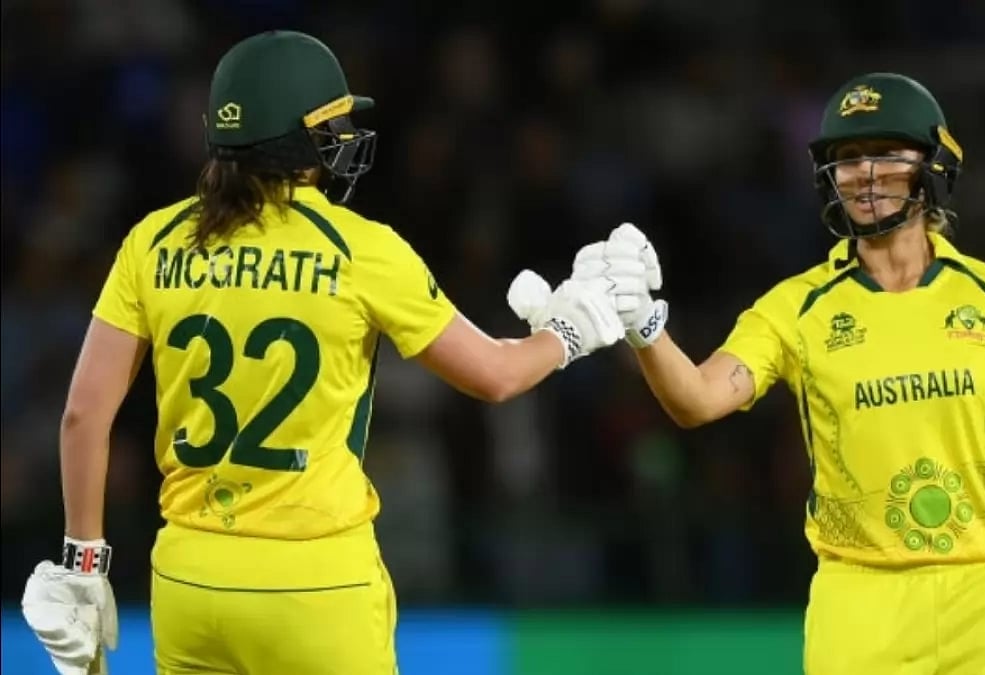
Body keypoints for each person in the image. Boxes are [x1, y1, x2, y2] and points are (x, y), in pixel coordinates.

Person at [19, 30, 629, 675]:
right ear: (298, 136)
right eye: (333, 121)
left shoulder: (155, 241)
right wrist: (568, 332)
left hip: (189, 581)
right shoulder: (359, 248)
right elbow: (496, 377)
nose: (344, 134)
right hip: (318, 581)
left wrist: (83, 561)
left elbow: (83, 414)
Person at [565, 73, 985, 674]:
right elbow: (696, 399)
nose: (863, 175)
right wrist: (645, 325)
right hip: (860, 602)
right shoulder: (797, 309)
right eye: (847, 159)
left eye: (885, 153)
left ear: (932, 165)